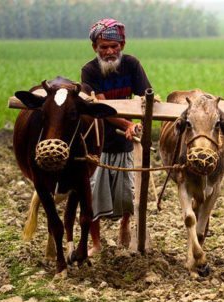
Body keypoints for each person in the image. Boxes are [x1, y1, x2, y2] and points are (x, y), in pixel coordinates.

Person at [82, 18, 151, 255]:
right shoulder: (89, 71)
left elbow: (147, 100)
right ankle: (96, 243)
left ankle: (125, 225)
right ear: (95, 48)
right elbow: (101, 107)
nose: (110, 51)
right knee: (93, 193)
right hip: (97, 141)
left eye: (114, 46)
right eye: (104, 47)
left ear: (122, 44)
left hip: (126, 142)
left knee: (126, 192)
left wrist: (139, 125)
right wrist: (126, 123)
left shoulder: (131, 64)